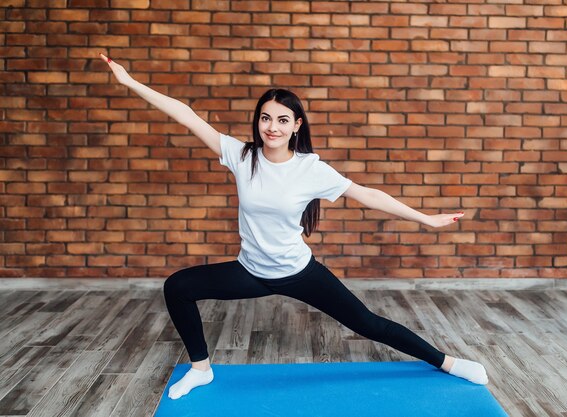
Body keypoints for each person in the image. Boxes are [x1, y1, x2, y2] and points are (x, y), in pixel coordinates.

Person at [99, 53, 488, 400]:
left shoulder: (310, 169)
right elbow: (185, 114)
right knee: (178, 287)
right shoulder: (241, 155)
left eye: (282, 120)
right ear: (259, 122)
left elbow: (367, 194)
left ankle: (447, 362)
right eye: (266, 118)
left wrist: (424, 218)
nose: (273, 127)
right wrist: (130, 82)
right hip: (251, 271)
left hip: (299, 273)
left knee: (368, 324)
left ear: (296, 125)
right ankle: (201, 369)